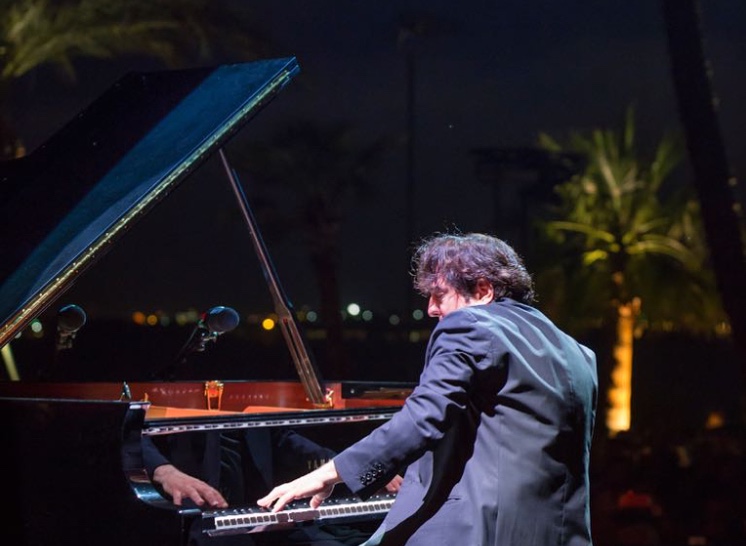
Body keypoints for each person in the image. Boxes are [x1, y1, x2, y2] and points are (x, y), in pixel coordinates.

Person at [257, 232, 599, 545]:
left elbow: (423, 418)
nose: (431, 309)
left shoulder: (469, 325)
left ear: (483, 291)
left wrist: (330, 473)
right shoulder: (576, 351)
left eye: (439, 295)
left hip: (474, 531)